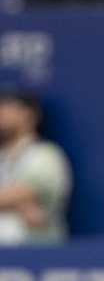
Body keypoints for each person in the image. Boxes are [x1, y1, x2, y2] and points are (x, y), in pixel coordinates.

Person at [0, 90, 71, 245]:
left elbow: (20, 194)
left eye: (8, 106)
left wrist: (15, 201)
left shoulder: (46, 155)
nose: (1, 113)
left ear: (30, 114)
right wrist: (19, 206)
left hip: (35, 251)